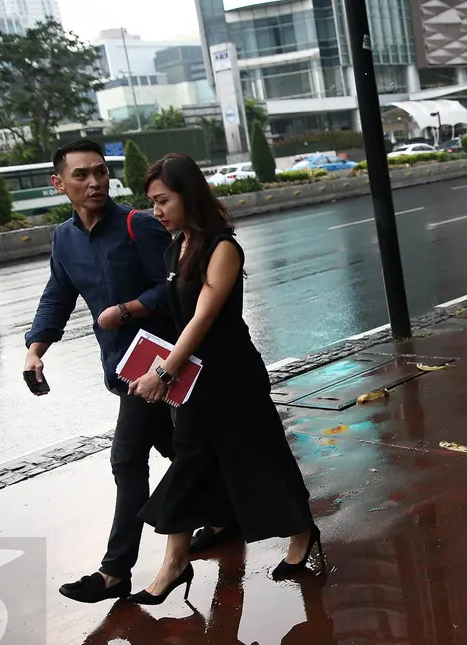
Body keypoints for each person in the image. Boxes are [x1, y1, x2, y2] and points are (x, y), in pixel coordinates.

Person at [25, 140, 232, 604]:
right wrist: (35, 350)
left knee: (127, 459)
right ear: (59, 184)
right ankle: (223, 513)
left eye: (100, 172)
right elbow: (56, 296)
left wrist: (128, 308)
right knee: (176, 450)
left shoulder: (138, 225)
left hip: (162, 365)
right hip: (121, 369)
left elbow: (177, 285)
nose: (94, 182)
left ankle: (116, 570)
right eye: (81, 175)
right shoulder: (64, 239)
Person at [126, 154, 321, 604]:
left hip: (233, 377)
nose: (156, 210)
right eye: (152, 202)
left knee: (262, 457)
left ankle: (302, 534)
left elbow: (204, 316)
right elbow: (176, 314)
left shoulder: (222, 247)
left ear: (188, 194)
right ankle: (174, 564)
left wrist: (163, 371)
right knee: (189, 460)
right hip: (196, 379)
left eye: (162, 200)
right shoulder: (177, 245)